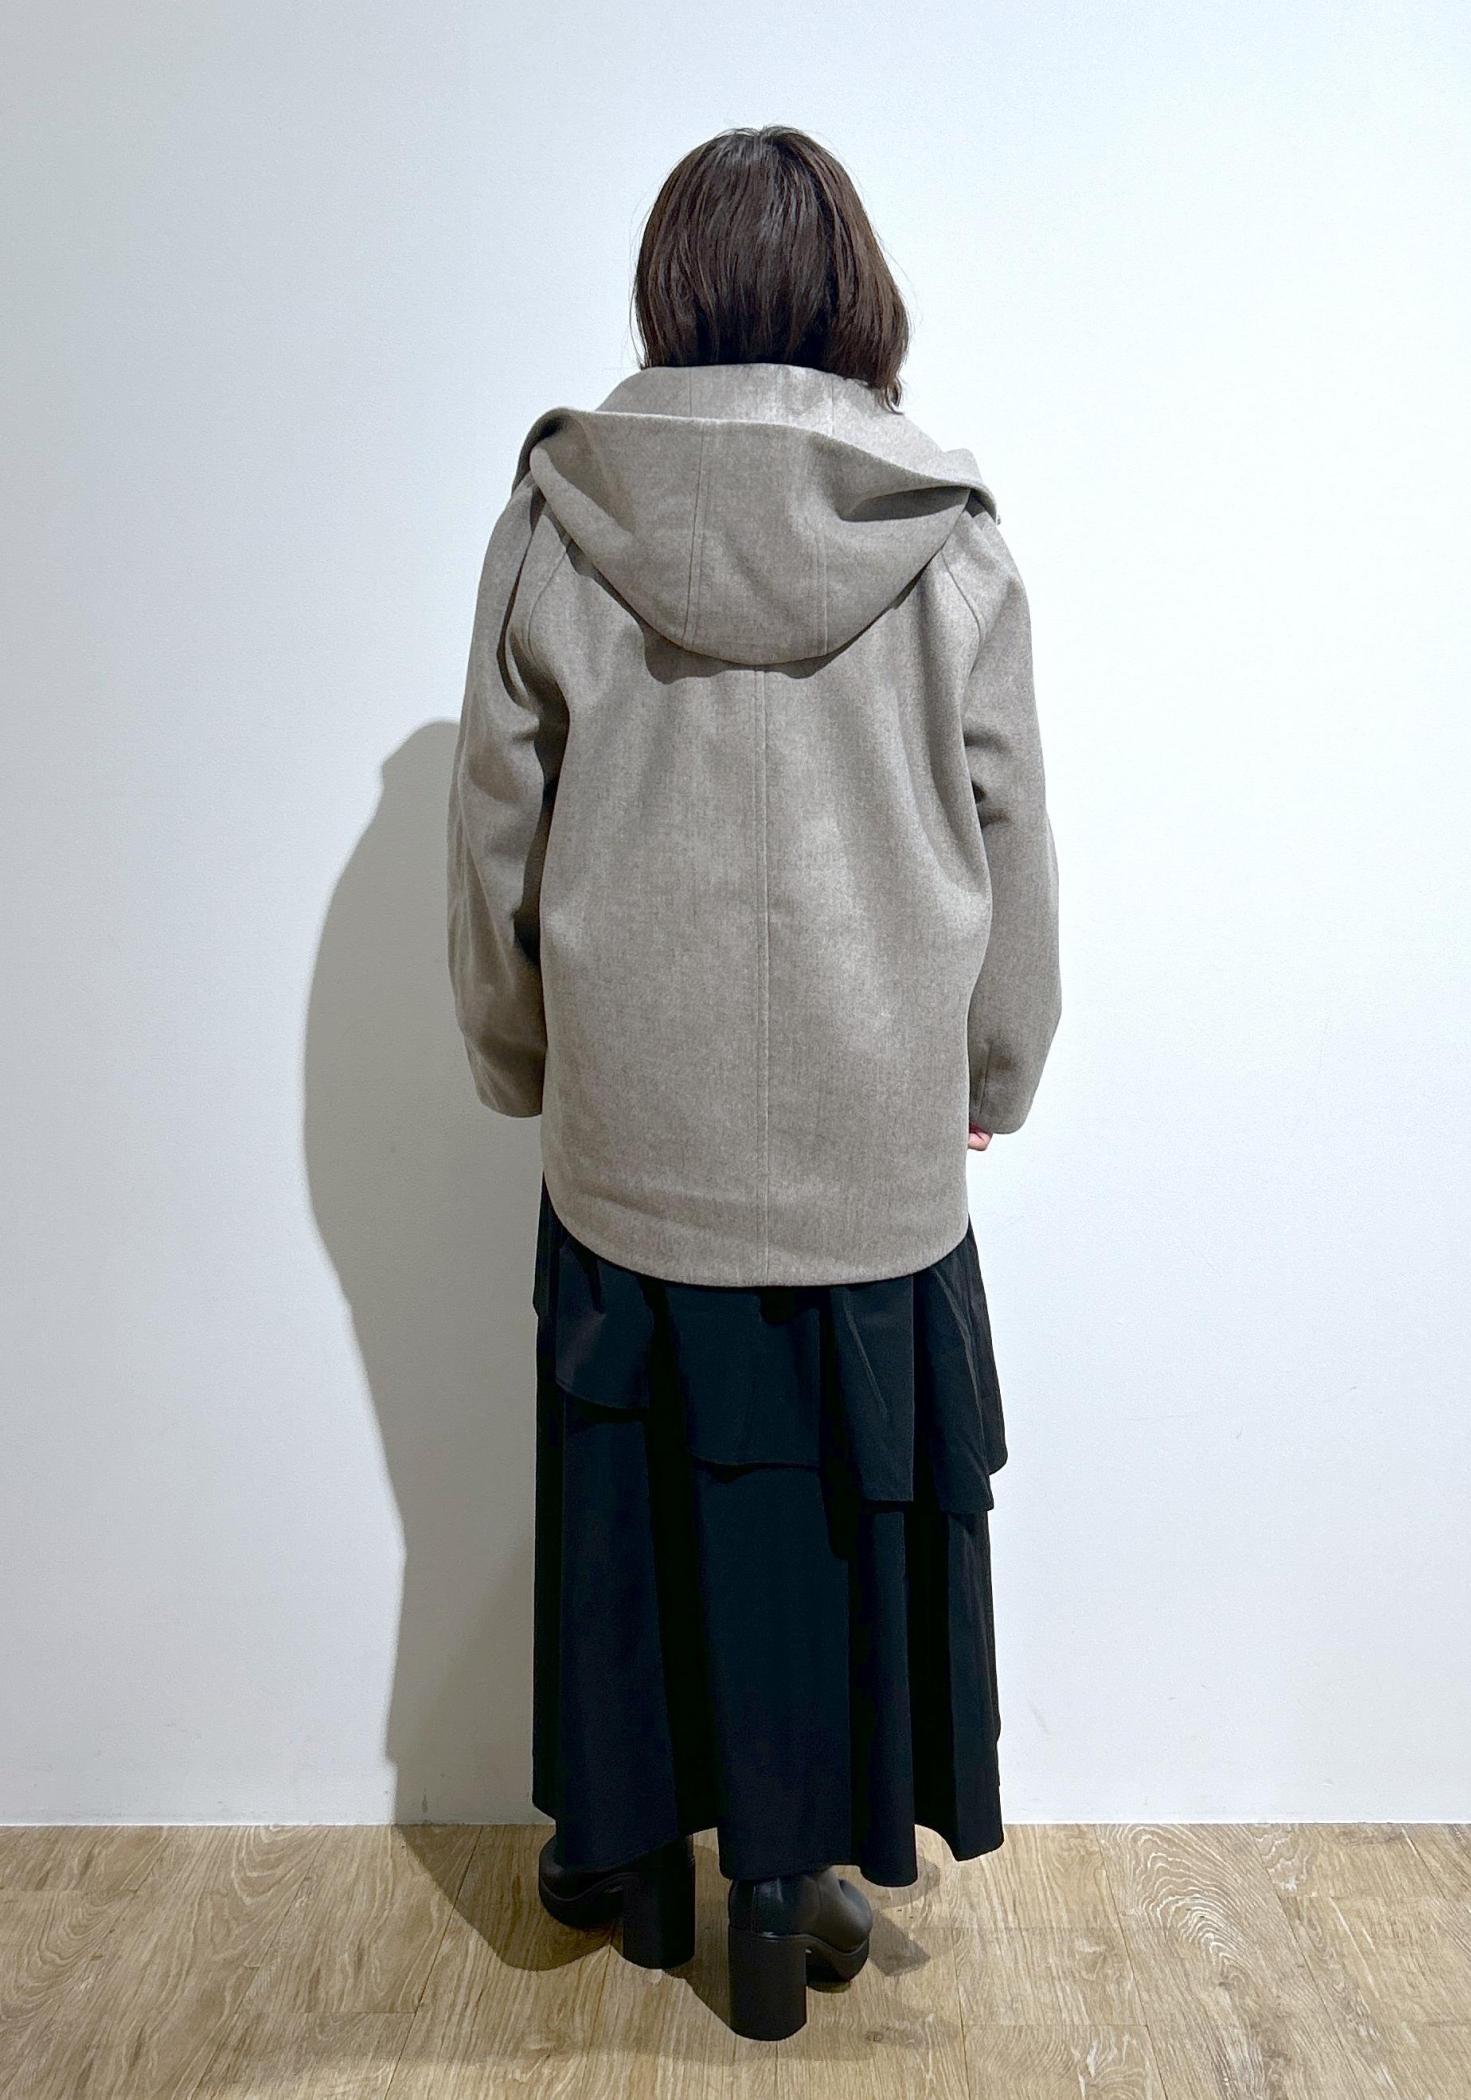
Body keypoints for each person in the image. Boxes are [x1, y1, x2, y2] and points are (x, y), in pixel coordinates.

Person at [446, 123, 1061, 2041]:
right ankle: (797, 1876)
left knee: (637, 1497)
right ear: (854, 290)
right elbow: (1010, 829)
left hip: (636, 1136)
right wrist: (996, 1063)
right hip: (871, 1138)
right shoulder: (944, 533)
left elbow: (493, 823)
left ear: (674, 285)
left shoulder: (564, 512)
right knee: (837, 1522)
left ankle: (632, 1854)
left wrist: (516, 1050)